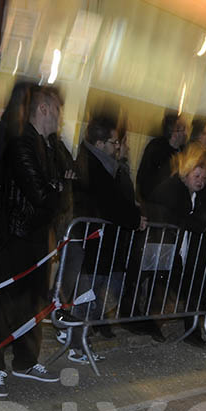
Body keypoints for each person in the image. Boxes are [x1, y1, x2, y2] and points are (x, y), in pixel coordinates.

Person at [0, 85, 66, 397]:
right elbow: (41, 193)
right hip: (16, 234)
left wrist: (56, 189)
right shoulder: (21, 143)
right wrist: (56, 190)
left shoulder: (50, 146)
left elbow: (65, 188)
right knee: (3, 302)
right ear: (43, 109)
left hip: (38, 236)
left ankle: (26, 361)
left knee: (33, 302)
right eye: (57, 109)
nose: (61, 116)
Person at [65, 114, 146, 363]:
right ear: (100, 144)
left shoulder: (102, 165)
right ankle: (76, 343)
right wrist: (134, 218)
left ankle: (80, 338)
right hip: (90, 242)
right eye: (114, 142)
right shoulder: (94, 166)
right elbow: (110, 204)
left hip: (100, 243)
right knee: (86, 293)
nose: (117, 147)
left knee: (97, 291)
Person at [147, 144, 206, 346]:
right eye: (197, 177)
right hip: (163, 246)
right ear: (187, 172)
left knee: (183, 288)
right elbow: (177, 217)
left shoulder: (195, 193)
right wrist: (196, 223)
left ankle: (187, 329)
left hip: (177, 247)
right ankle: (153, 324)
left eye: (204, 179)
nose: (201, 182)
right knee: (163, 288)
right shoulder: (173, 188)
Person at [136, 111, 186, 202]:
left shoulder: (184, 150)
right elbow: (144, 176)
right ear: (174, 133)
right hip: (154, 201)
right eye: (184, 129)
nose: (186, 133)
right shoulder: (157, 149)